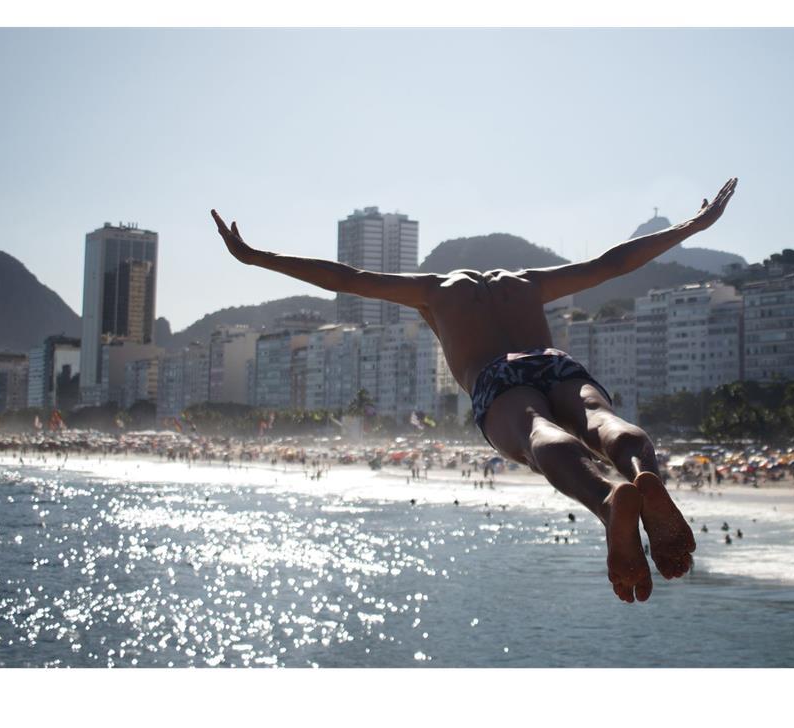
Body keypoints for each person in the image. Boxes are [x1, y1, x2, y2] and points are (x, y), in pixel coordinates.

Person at [211, 180, 737, 603]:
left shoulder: (431, 290)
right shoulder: (526, 280)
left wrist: (256, 257)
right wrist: (692, 224)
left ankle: (607, 500)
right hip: (553, 363)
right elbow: (612, 263)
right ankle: (642, 473)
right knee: (601, 420)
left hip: (496, 378)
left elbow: (344, 278)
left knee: (535, 434)